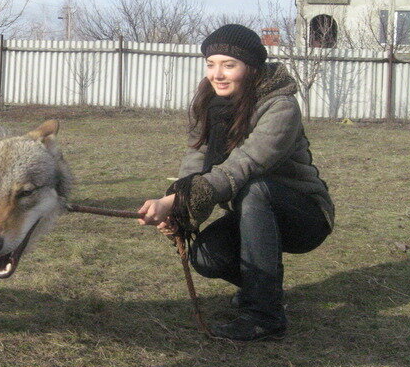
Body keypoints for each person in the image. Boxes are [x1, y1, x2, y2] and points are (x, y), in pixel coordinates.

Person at [138, 24, 334, 341]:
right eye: (211, 64)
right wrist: (178, 208)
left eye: (229, 65)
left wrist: (174, 202)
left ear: (252, 68)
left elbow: (242, 167)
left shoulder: (280, 107)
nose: (217, 74)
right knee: (205, 256)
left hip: (303, 216)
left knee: (255, 190)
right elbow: (197, 158)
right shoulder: (208, 103)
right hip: (253, 212)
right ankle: (263, 292)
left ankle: (264, 317)